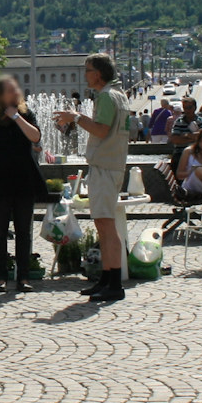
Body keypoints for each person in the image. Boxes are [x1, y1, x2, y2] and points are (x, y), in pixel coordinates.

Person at [55, 54, 128, 303]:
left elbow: (101, 129)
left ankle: (114, 283)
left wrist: (75, 117)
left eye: (87, 70)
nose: (84, 74)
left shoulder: (107, 96)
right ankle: (107, 279)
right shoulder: (117, 94)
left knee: (106, 227)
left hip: (106, 166)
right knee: (103, 225)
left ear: (98, 73)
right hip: (109, 165)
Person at [0, 76, 47, 293]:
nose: (15, 92)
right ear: (0, 94)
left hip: (24, 180)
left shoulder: (25, 114)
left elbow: (35, 137)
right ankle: (0, 277)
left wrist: (16, 117)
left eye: (16, 88)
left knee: (24, 231)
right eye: (10, 89)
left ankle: (23, 277)